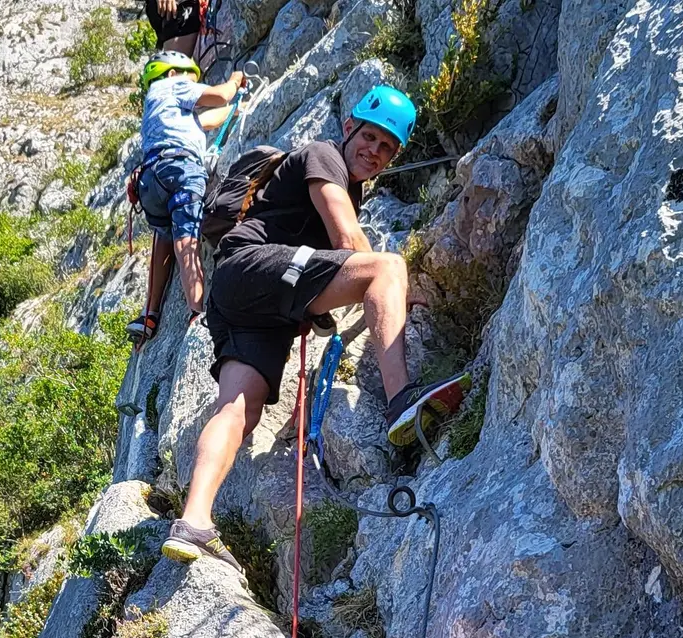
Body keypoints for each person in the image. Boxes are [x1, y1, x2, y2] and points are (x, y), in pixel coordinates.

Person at [162, 85, 464, 572]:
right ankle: (401, 400)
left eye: (388, 147)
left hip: (248, 302)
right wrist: (395, 289)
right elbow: (348, 241)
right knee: (386, 267)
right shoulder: (325, 156)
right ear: (349, 129)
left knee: (240, 407)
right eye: (369, 136)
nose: (375, 151)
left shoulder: (345, 176)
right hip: (253, 269)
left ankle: (194, 520)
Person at [130, 52, 246, 344]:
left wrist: (238, 102)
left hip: (153, 178)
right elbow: (219, 96)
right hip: (182, 169)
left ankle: (150, 314)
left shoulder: (159, 105)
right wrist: (235, 80)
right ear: (172, 73)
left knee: (163, 238)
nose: (193, 85)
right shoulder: (173, 85)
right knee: (187, 240)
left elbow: (209, 119)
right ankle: (197, 311)